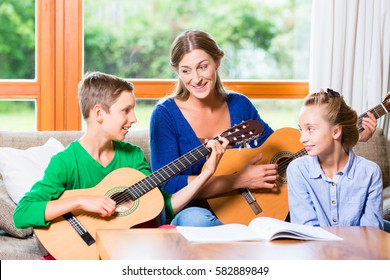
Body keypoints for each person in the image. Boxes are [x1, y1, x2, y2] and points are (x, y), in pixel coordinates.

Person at [150, 29, 379, 227]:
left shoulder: (240, 105)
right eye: (185, 70)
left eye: (202, 66)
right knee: (194, 222)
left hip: (252, 207)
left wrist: (349, 138)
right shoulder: (165, 115)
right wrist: (239, 180)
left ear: (217, 62)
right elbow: (168, 185)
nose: (196, 78)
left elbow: (283, 151)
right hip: (199, 210)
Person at [13, 71, 229, 232]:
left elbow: (164, 208)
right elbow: (22, 214)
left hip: (139, 237)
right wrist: (80, 201)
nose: (133, 118)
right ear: (99, 113)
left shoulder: (133, 155)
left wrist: (206, 174)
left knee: (193, 218)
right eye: (125, 110)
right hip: (94, 242)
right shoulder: (66, 162)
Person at [287, 89, 383, 229]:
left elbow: (371, 234)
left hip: (358, 251)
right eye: (301, 129)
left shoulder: (370, 173)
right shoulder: (298, 170)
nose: (302, 139)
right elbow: (306, 232)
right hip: (313, 250)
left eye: (310, 129)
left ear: (336, 131)